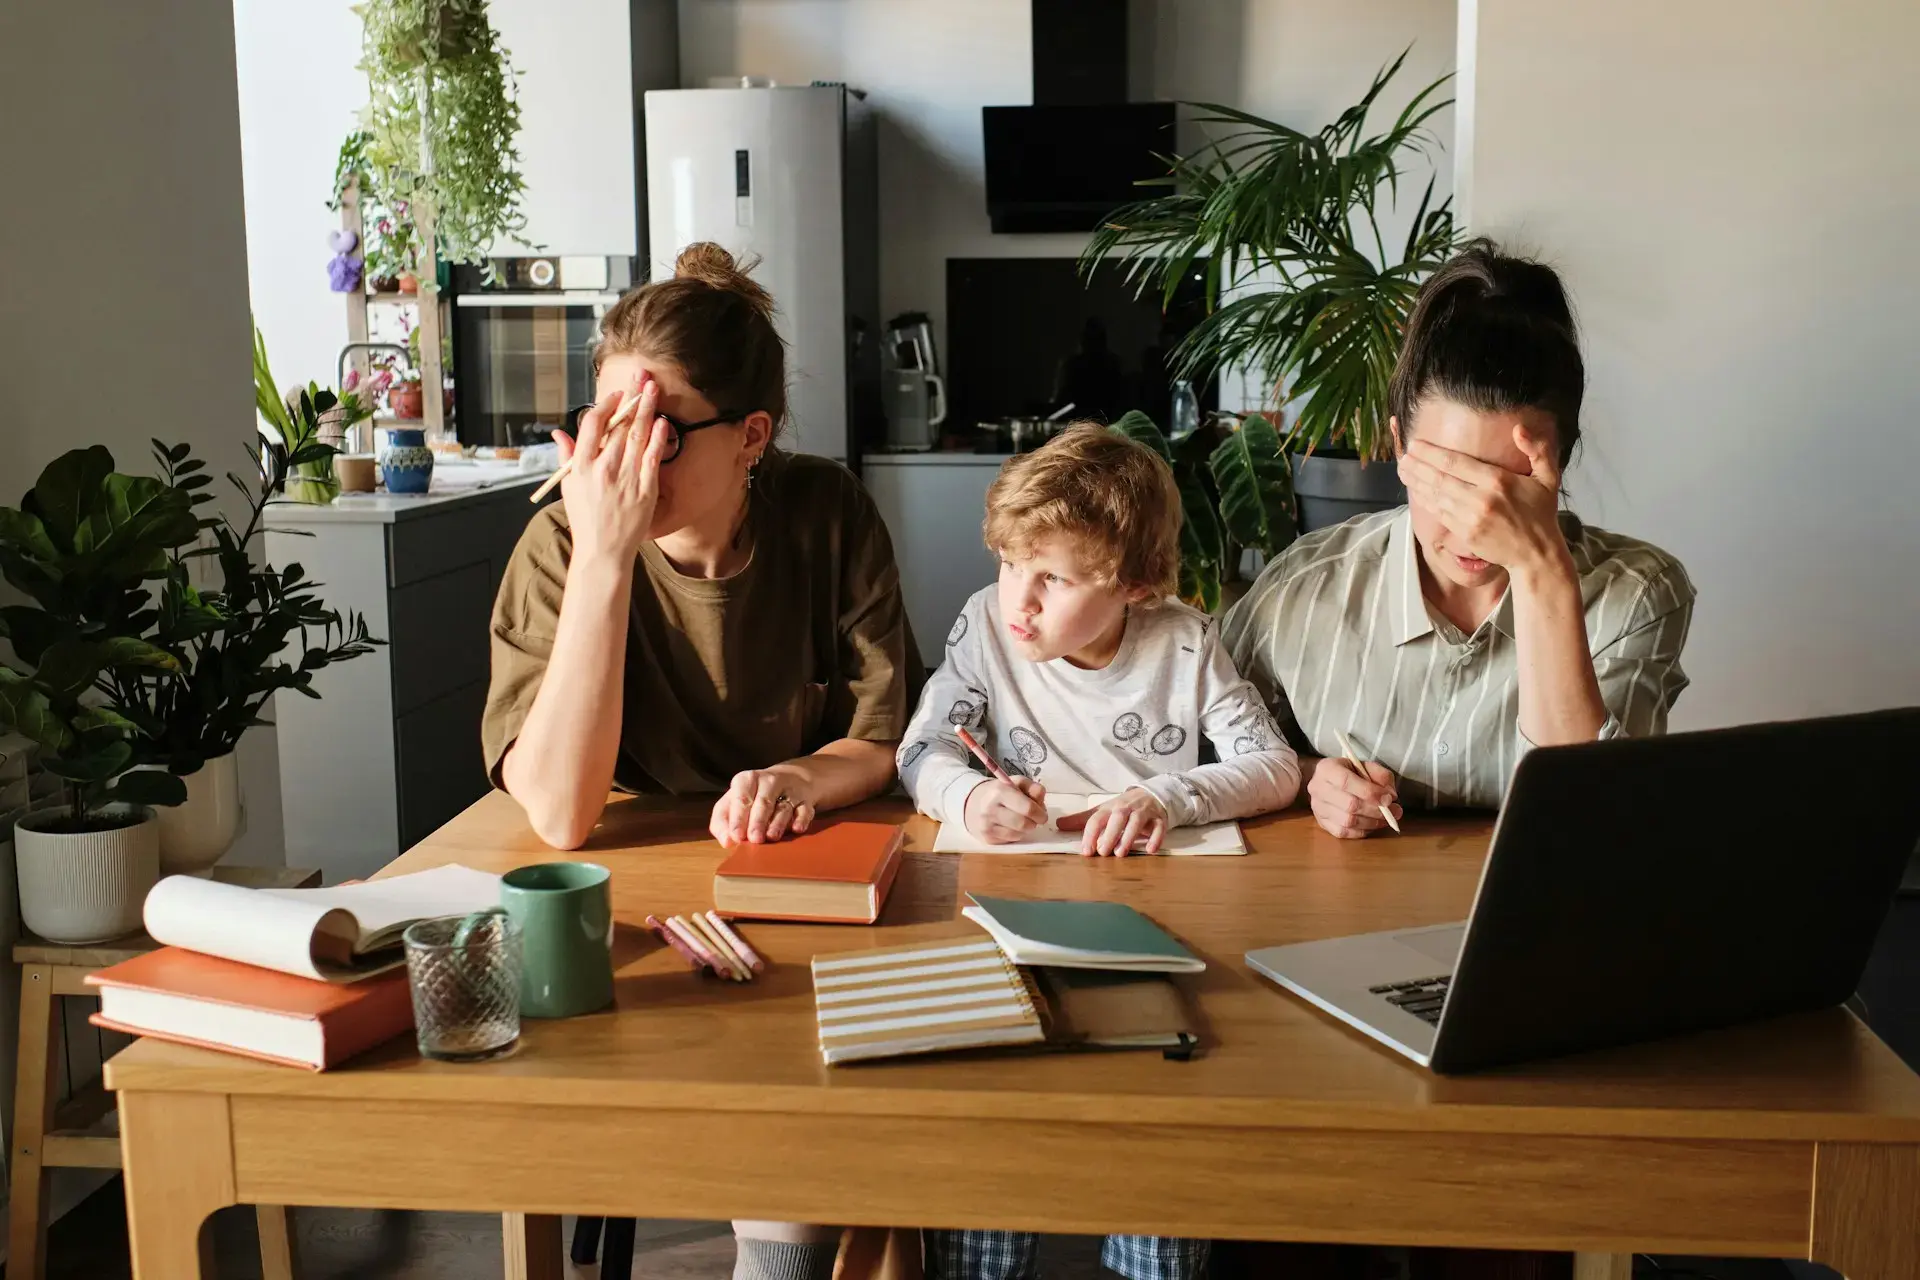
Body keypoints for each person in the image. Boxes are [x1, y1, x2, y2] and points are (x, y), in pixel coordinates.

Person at [481, 242, 921, 1280]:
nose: (622, 461)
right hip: (629, 902)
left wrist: (797, 779)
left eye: (661, 431)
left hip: (796, 878)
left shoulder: (827, 513)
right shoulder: (561, 544)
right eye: (604, 427)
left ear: (751, 438)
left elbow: (882, 736)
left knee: (815, 1105)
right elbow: (558, 814)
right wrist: (602, 553)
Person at [898, 423, 1301, 1280]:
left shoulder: (1184, 642)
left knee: (1159, 1117)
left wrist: (1166, 794)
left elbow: (1273, 767)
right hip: (1004, 919)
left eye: (1051, 577)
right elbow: (919, 751)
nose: (1020, 600)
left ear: (1137, 585)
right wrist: (969, 794)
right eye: (1011, 564)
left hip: (1154, 925)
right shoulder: (984, 624)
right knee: (996, 1112)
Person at [1221, 237, 1696, 833]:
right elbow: (1194, 750)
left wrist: (1542, 571)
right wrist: (1311, 774)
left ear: (1559, 463)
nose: (1477, 522)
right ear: (1398, 445)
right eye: (1450, 478)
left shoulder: (1637, 594)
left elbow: (1596, 821)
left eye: (1512, 487)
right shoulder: (1305, 589)